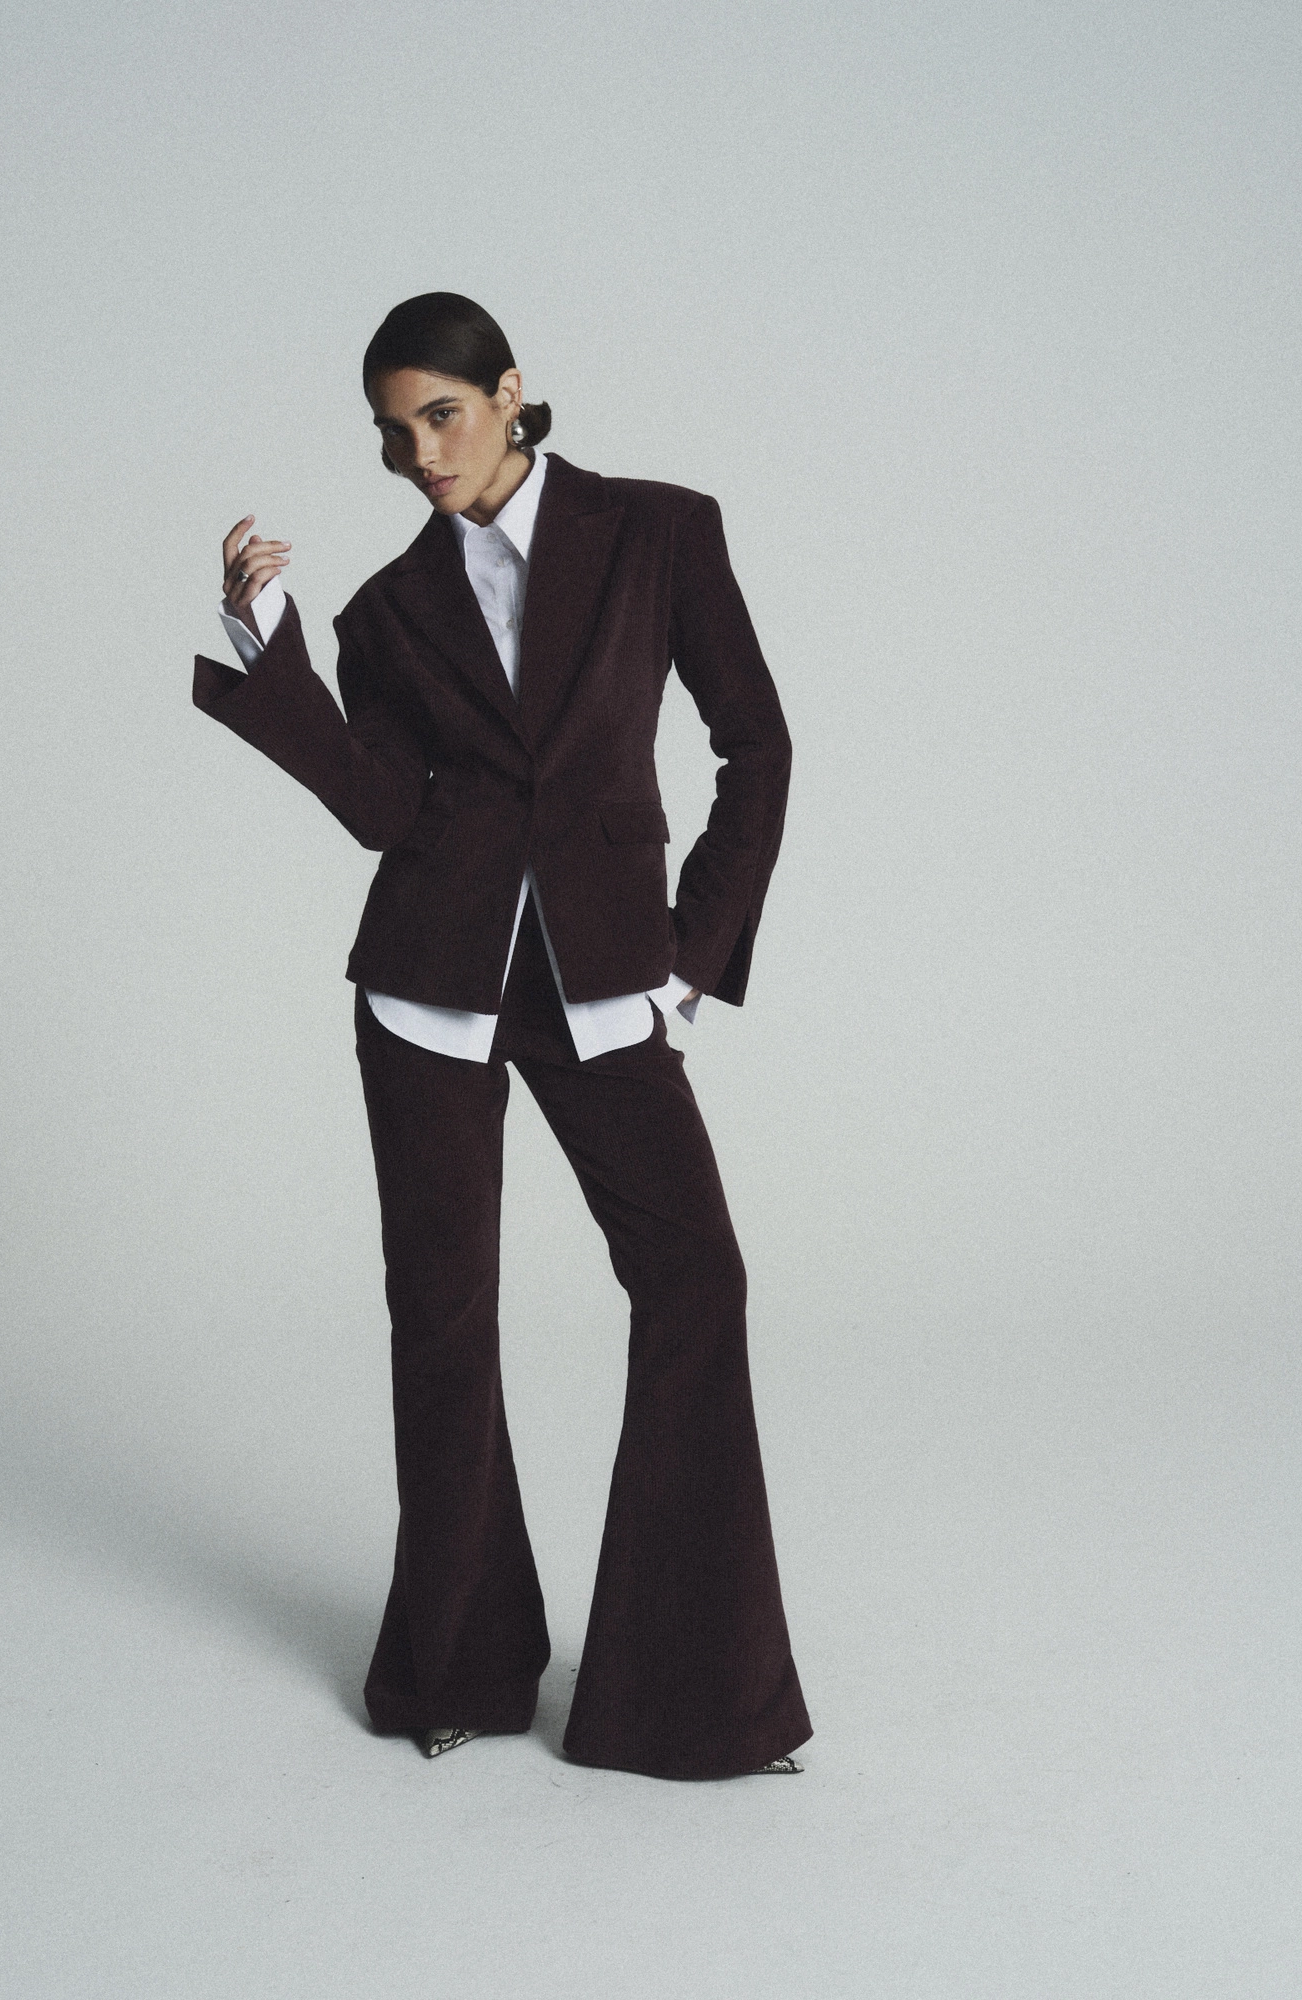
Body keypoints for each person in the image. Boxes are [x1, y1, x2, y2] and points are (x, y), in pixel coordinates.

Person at [194, 292, 811, 1780]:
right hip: (429, 984)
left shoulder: (659, 532)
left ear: (513, 391)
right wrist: (267, 648)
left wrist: (690, 958)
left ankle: (686, 1692)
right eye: (394, 432)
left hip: (606, 974)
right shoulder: (387, 611)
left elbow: (757, 743)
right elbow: (383, 809)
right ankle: (458, 1664)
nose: (421, 454)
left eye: (443, 414)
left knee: (694, 1275)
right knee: (444, 1317)